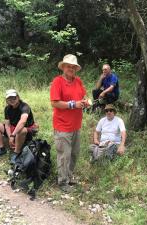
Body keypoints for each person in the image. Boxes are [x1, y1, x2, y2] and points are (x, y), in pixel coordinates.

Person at [50, 54, 89, 192]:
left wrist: (86, 102)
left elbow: (83, 96)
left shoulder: (78, 81)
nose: (71, 69)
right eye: (68, 66)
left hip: (76, 125)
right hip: (62, 126)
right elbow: (55, 102)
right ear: (63, 67)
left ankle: (69, 176)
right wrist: (74, 104)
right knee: (64, 155)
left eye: (73, 67)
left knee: (74, 154)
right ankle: (62, 182)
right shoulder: (57, 82)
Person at [0, 89, 38, 161]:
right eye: (9, 98)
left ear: (18, 97)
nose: (12, 100)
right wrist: (10, 137)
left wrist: (12, 135)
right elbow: (7, 124)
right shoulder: (7, 108)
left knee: (21, 130)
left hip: (26, 130)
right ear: (6, 100)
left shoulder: (25, 106)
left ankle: (16, 153)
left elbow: (22, 122)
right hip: (13, 129)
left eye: (14, 98)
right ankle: (1, 148)